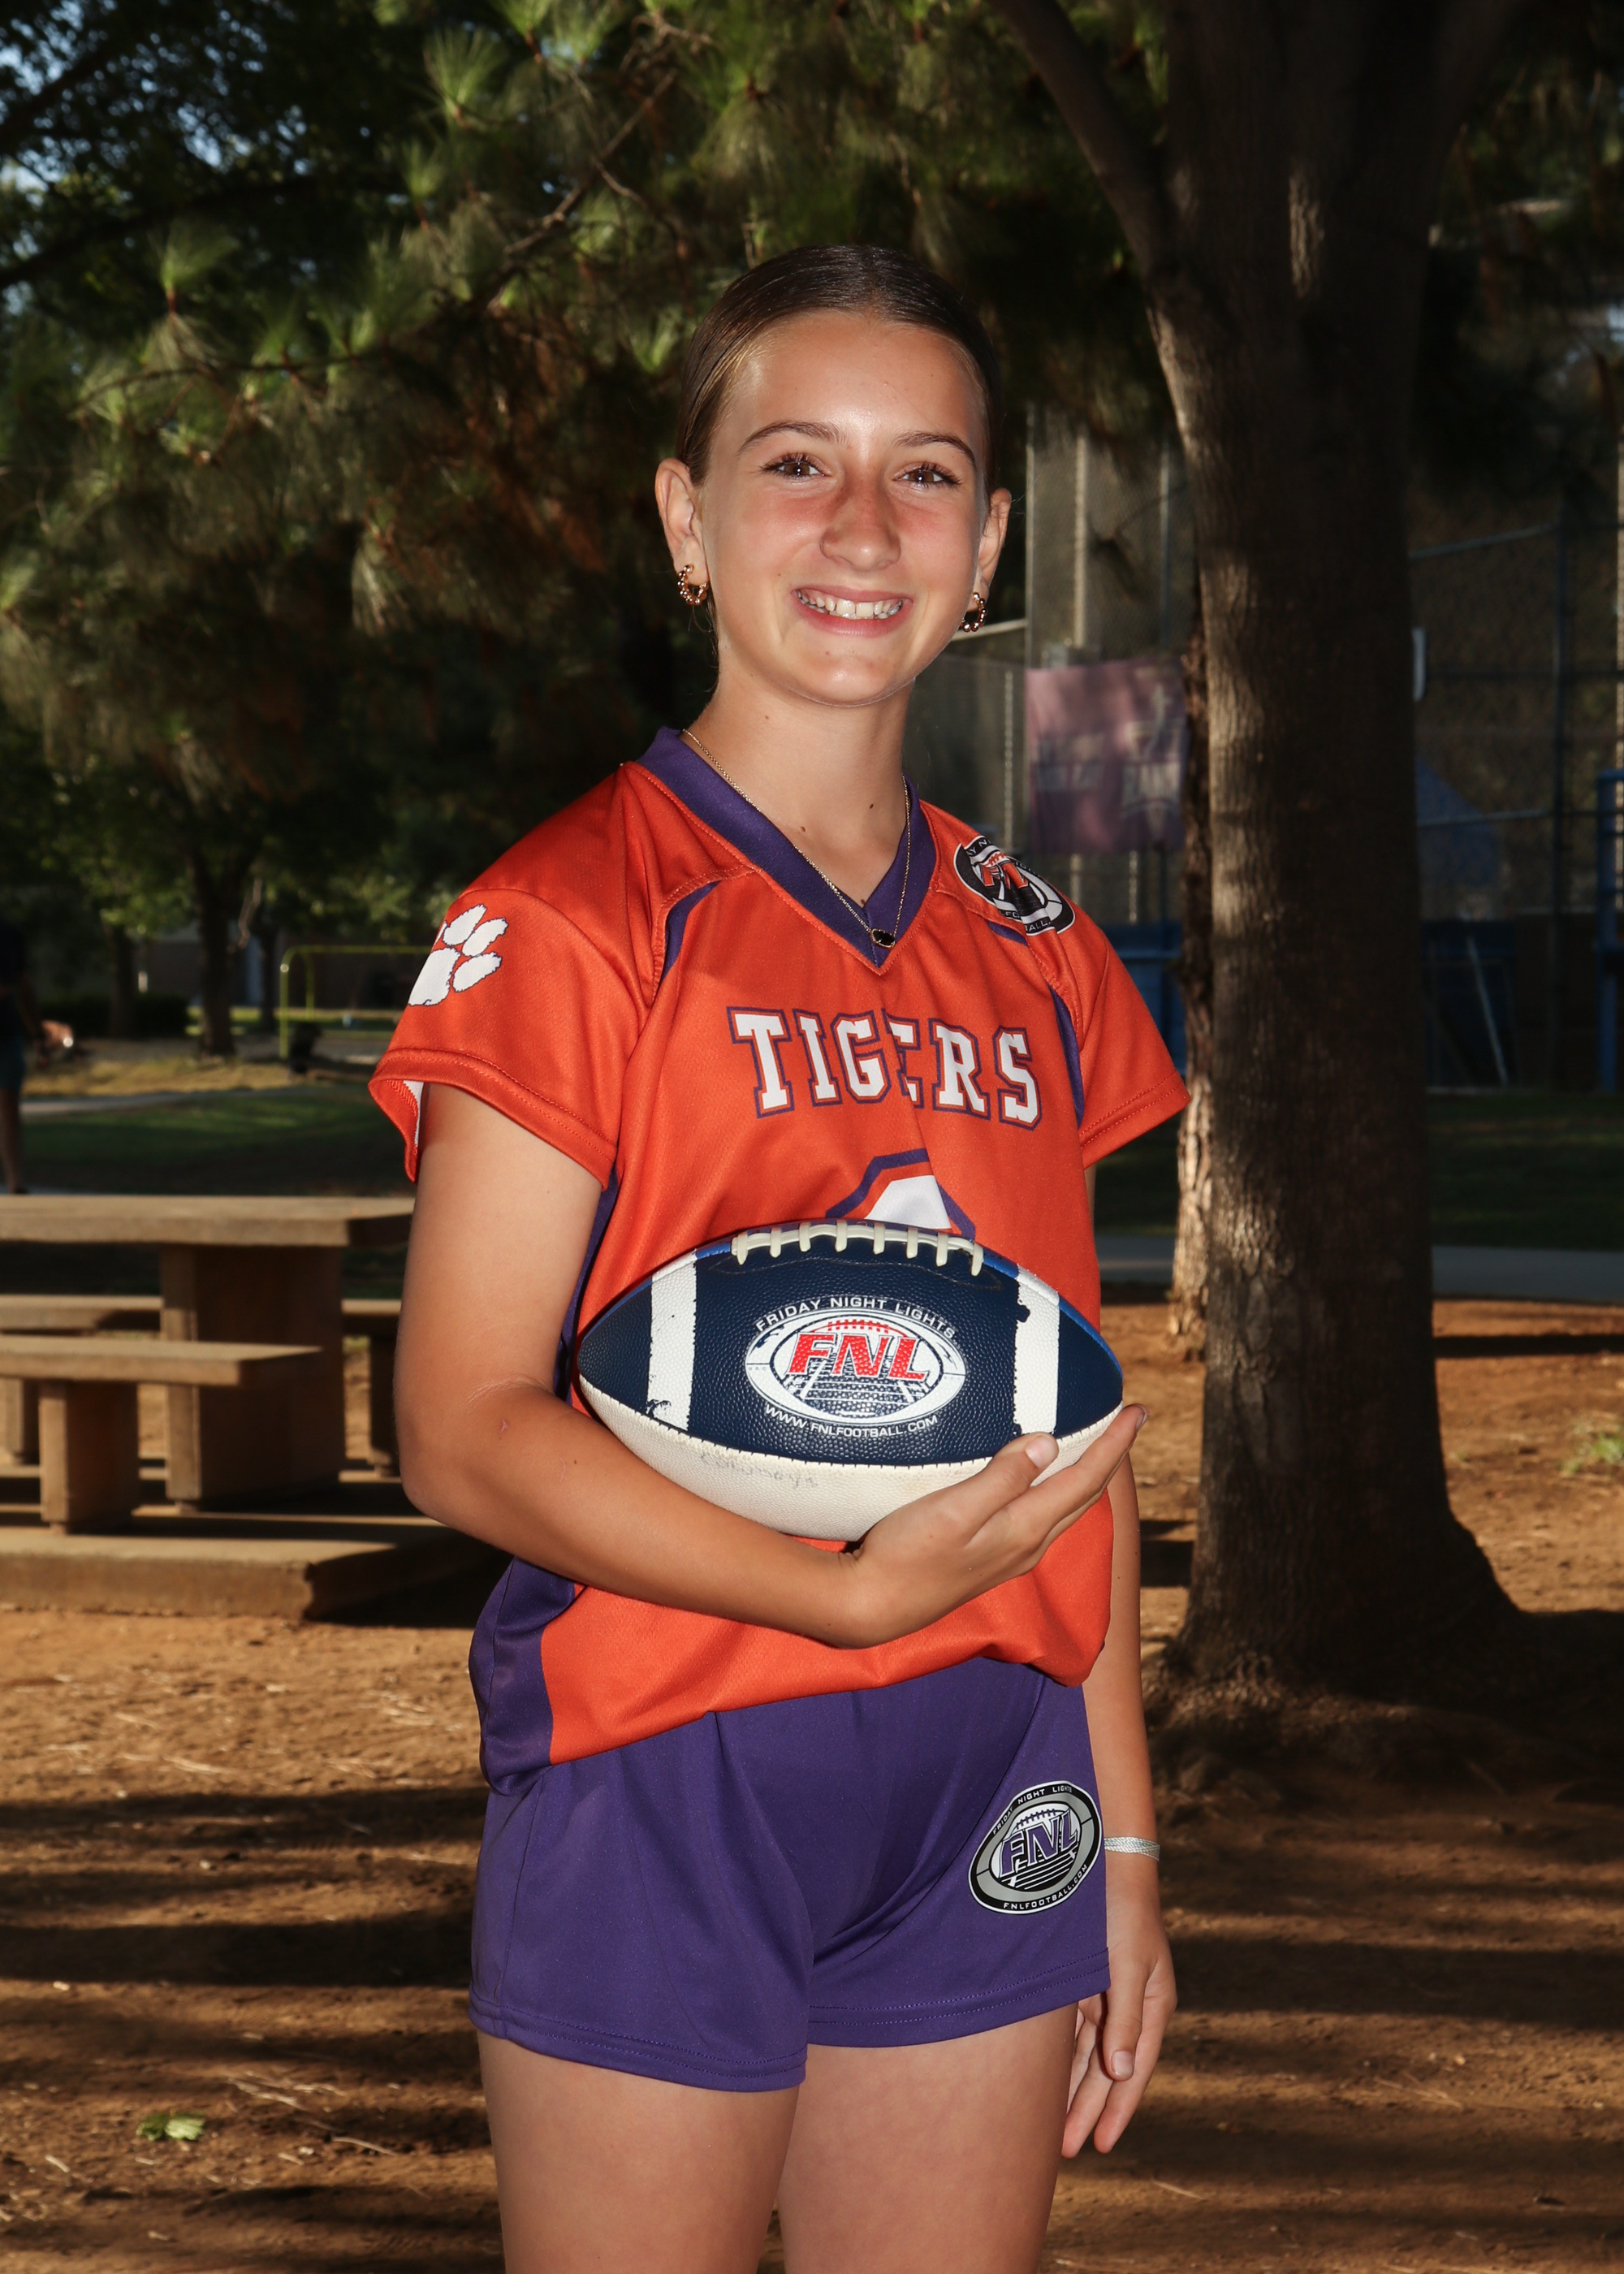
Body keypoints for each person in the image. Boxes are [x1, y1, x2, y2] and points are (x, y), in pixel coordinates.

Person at [373, 244, 1190, 2274]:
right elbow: (458, 1427)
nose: (860, 526)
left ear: (986, 545)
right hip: (664, 1749)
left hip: (987, 1762)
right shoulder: (567, 918)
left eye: (926, 474)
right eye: (794, 462)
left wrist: (1125, 1834)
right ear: (686, 518)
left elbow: (1070, 1437)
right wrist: (834, 1592)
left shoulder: (1035, 946)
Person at [0, 913, 56, 1196]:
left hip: (5, 1032)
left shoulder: (10, 935)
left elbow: (23, 985)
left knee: (9, 1105)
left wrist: (38, 1035)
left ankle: (15, 1183)